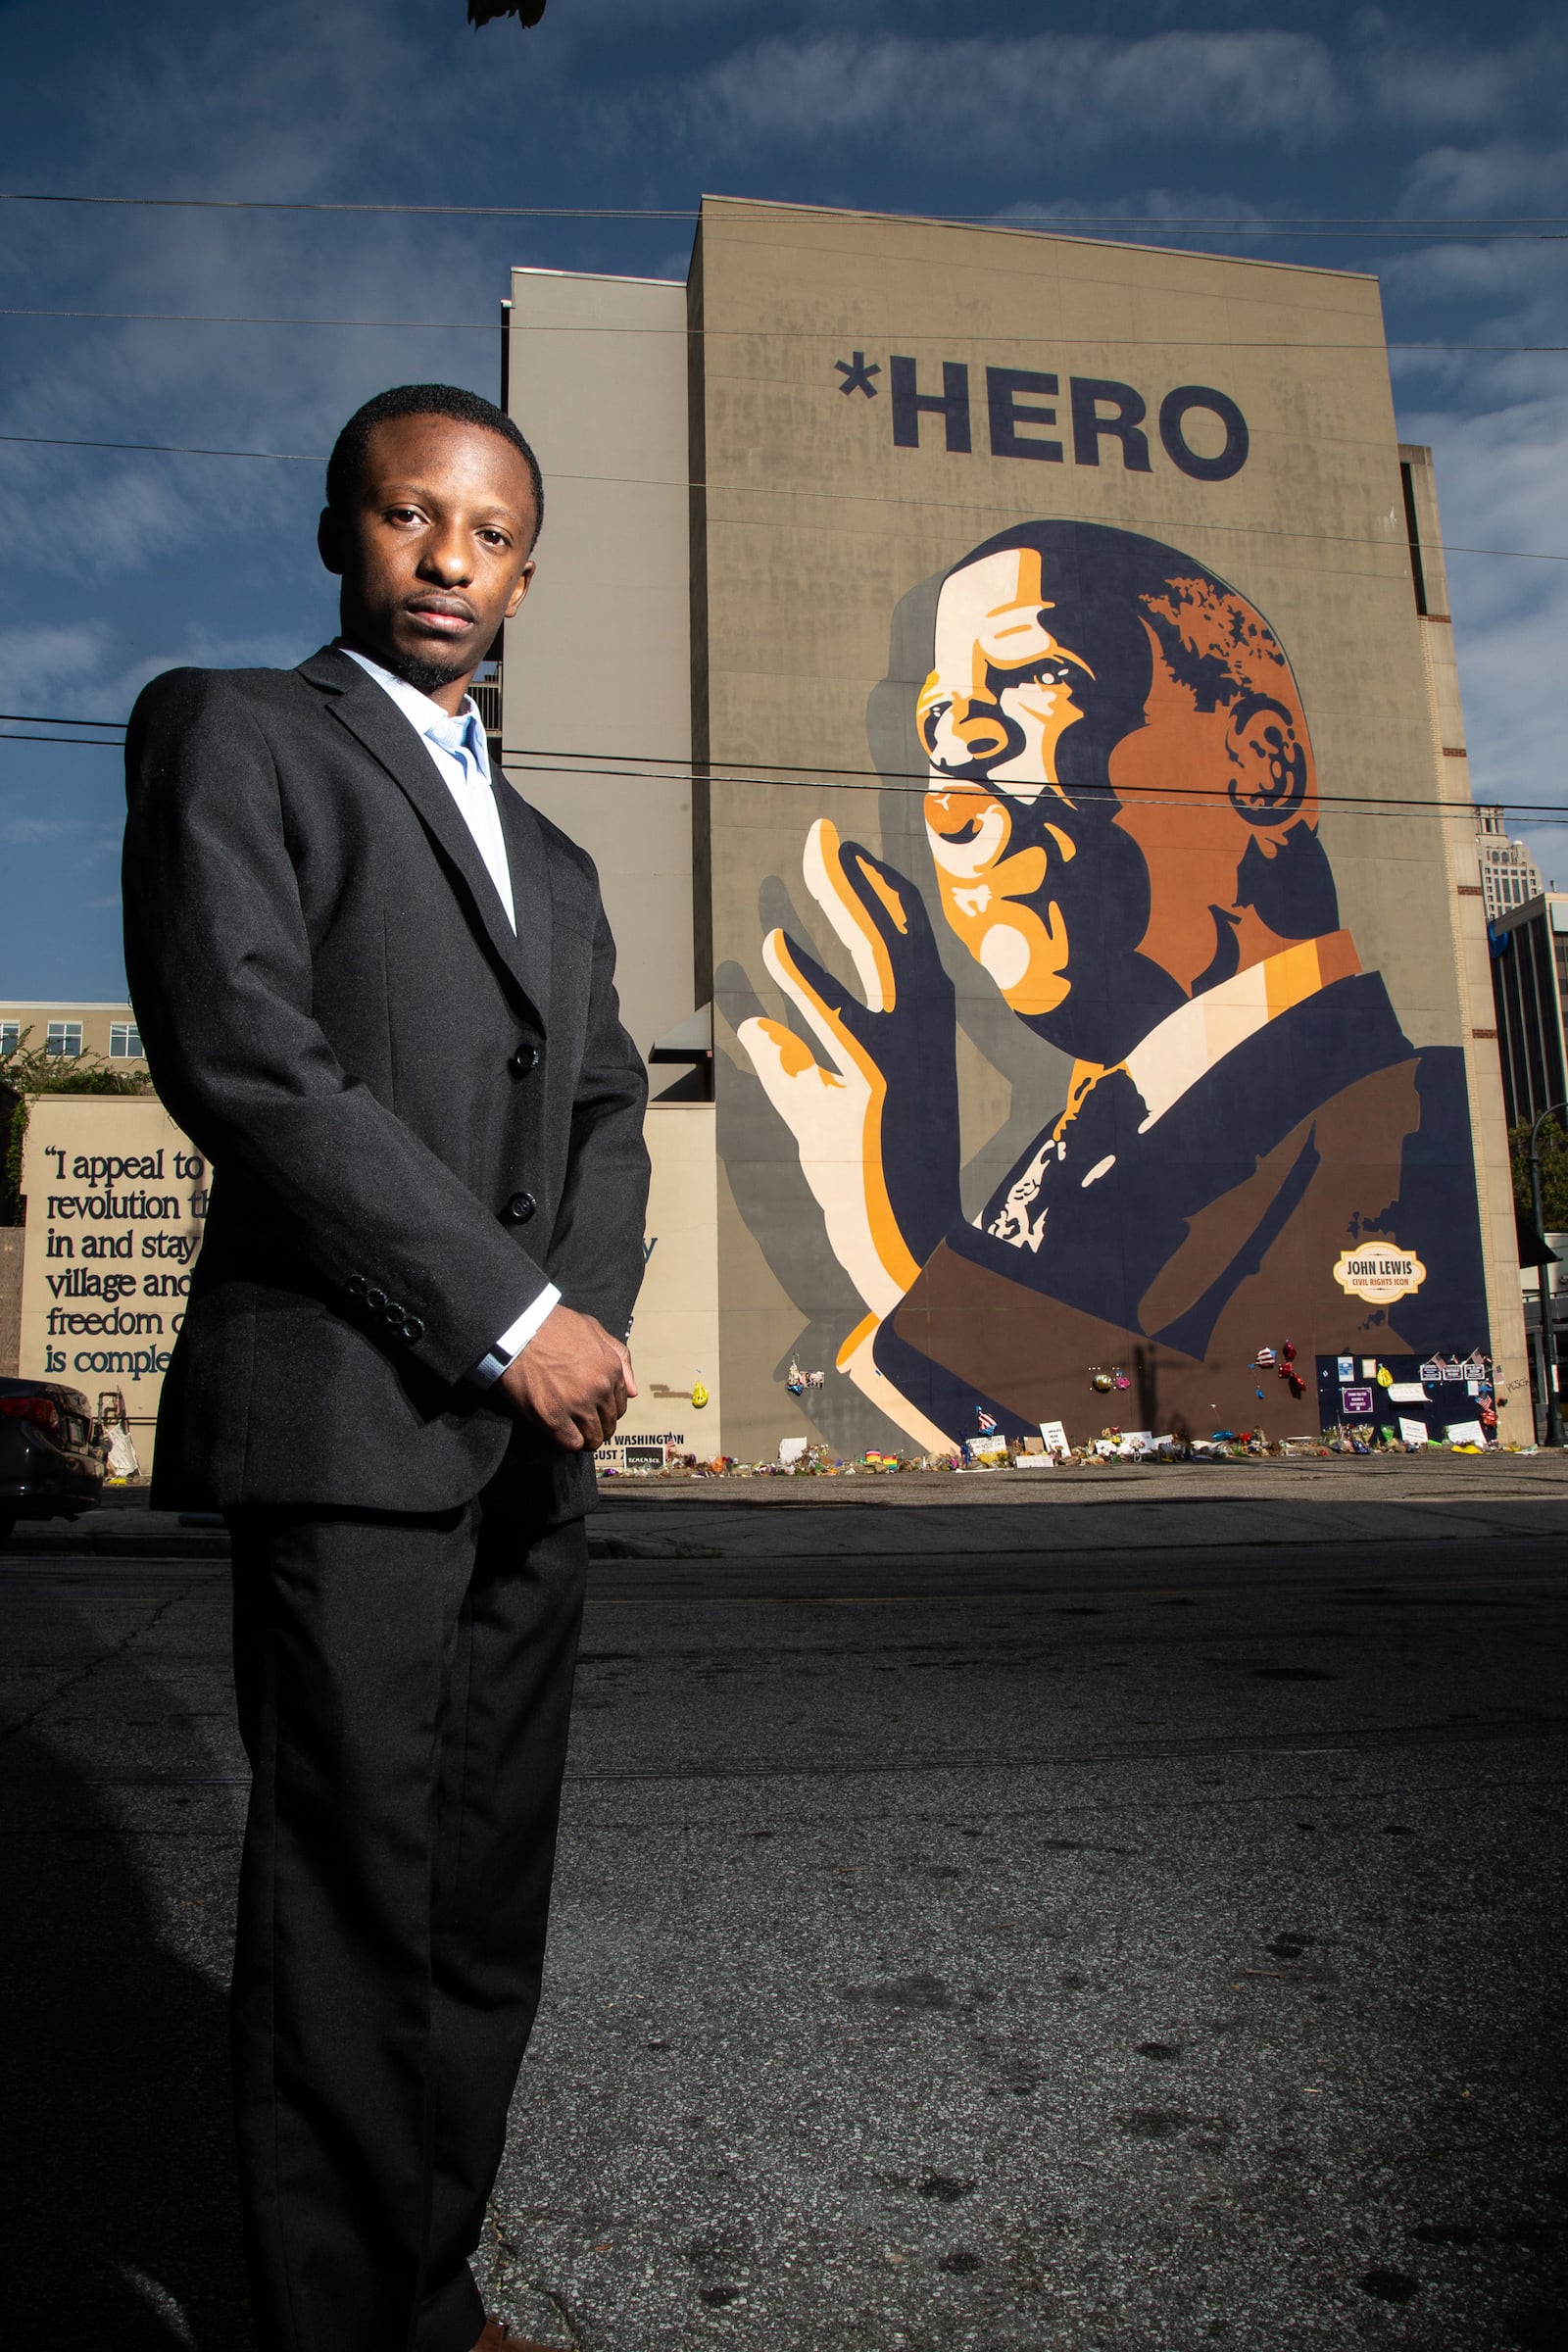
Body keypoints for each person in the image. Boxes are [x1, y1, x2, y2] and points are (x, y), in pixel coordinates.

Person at [122, 382, 650, 2352]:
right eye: (408, 516)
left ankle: (427, 2286)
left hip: (534, 1442)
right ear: (340, 531)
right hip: (351, 1411)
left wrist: (576, 1340)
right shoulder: (233, 729)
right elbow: (249, 1056)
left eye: (488, 529)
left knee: (474, 1904)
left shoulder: (563, 861)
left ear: (526, 568)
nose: (448, 558)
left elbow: (606, 1109)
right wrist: (504, 1320)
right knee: (347, 1903)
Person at [739, 519, 1488, 1445]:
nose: (953, 793)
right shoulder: (1081, 1137)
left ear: (1263, 765)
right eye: (941, 727)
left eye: (1040, 684)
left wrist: (907, 1245)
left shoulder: (1414, 1124)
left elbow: (1257, 1449)